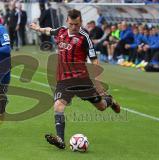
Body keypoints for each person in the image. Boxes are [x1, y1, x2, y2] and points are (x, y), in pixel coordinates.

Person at [29, 9, 120, 149]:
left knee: (101, 106)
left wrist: (98, 83)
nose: (74, 27)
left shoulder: (84, 37)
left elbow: (95, 60)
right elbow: (50, 31)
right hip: (63, 79)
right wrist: (38, 28)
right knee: (58, 106)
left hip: (81, 79)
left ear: (81, 22)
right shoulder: (61, 31)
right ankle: (60, 139)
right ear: (67, 21)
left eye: (77, 24)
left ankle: (110, 100)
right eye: (71, 24)